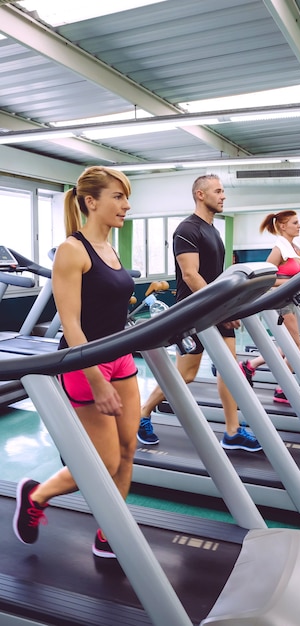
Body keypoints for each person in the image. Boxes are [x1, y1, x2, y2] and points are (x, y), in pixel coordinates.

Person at [13, 166, 141, 559]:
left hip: (120, 358)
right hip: (88, 364)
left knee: (128, 448)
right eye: (118, 197)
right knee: (105, 460)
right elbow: (70, 323)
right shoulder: (72, 250)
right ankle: (36, 495)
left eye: (125, 197)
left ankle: (109, 532)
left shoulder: (110, 248)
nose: (126, 204)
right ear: (91, 201)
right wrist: (97, 381)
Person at [137, 174, 262, 452]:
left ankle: (232, 432)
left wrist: (227, 306)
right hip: (194, 311)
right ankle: (142, 413)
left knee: (230, 372)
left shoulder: (214, 231)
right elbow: (191, 275)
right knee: (186, 374)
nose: (223, 196)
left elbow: (215, 277)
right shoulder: (187, 229)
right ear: (200, 195)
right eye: (218, 191)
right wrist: (219, 308)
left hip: (216, 309)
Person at [239, 210, 300, 403]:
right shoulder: (278, 249)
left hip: (290, 299)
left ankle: (249, 365)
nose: (299, 226)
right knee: (295, 347)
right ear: (283, 226)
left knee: (288, 346)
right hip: (281, 302)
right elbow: (266, 278)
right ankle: (282, 389)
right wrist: (288, 284)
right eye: (295, 223)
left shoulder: (293, 248)